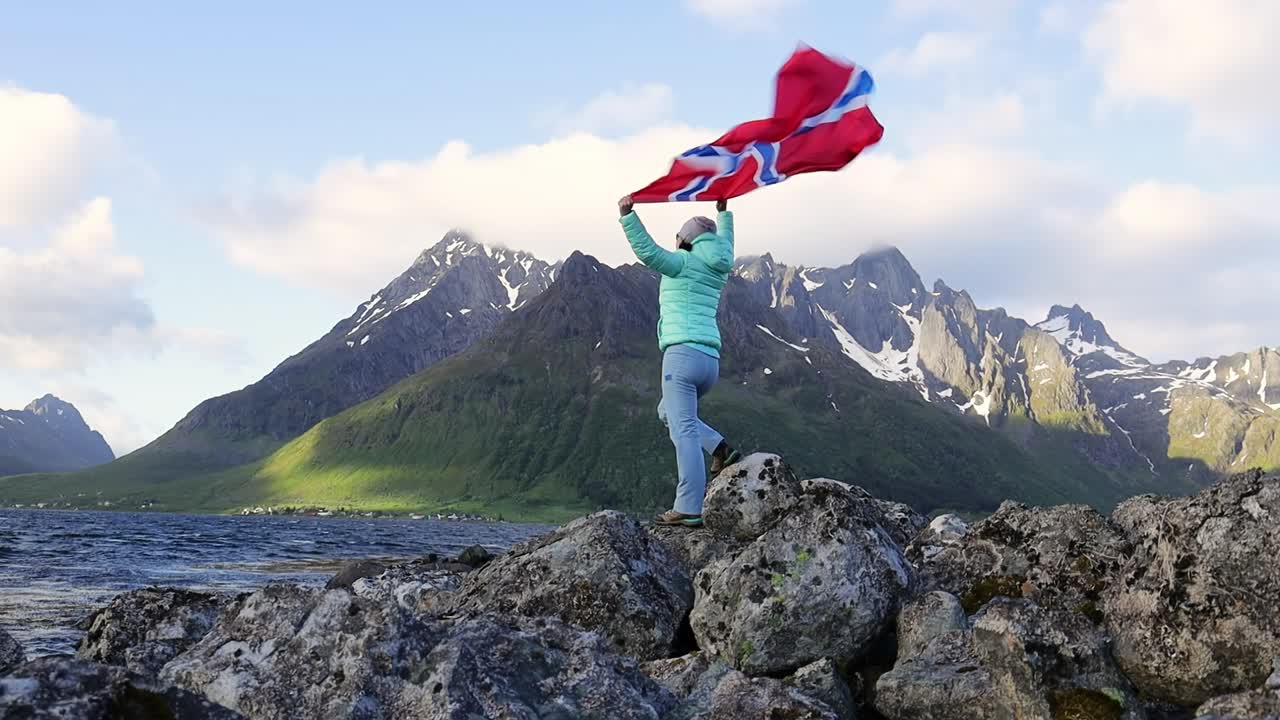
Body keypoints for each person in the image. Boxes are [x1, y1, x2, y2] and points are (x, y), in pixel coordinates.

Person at [617, 193, 743, 528]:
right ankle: (719, 448)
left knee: (683, 428)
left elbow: (647, 252)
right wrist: (724, 214)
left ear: (685, 241)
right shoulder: (718, 267)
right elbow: (725, 244)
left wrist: (628, 215)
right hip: (709, 362)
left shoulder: (682, 262)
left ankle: (688, 506)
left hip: (682, 357)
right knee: (667, 413)